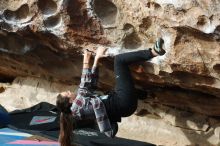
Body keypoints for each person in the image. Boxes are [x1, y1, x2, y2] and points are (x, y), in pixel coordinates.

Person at [56, 38, 166, 146]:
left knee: (115, 87)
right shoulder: (78, 108)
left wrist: (96, 59)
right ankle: (154, 52)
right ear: (70, 101)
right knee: (119, 61)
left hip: (123, 104)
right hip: (124, 102)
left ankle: (145, 94)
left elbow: (89, 86)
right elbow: (84, 85)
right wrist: (86, 59)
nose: (70, 91)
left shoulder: (80, 107)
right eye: (68, 93)